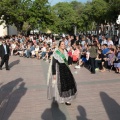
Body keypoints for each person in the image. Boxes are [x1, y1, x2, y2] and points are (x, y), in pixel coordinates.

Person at [47, 41, 77, 105]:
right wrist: (54, 74)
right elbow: (53, 64)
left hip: (66, 69)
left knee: (69, 84)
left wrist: (70, 63)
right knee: (62, 85)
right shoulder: (56, 53)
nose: (63, 45)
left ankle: (68, 99)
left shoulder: (65, 51)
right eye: (62, 44)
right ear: (59, 45)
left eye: (64, 44)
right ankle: (62, 99)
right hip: (60, 70)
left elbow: (69, 58)